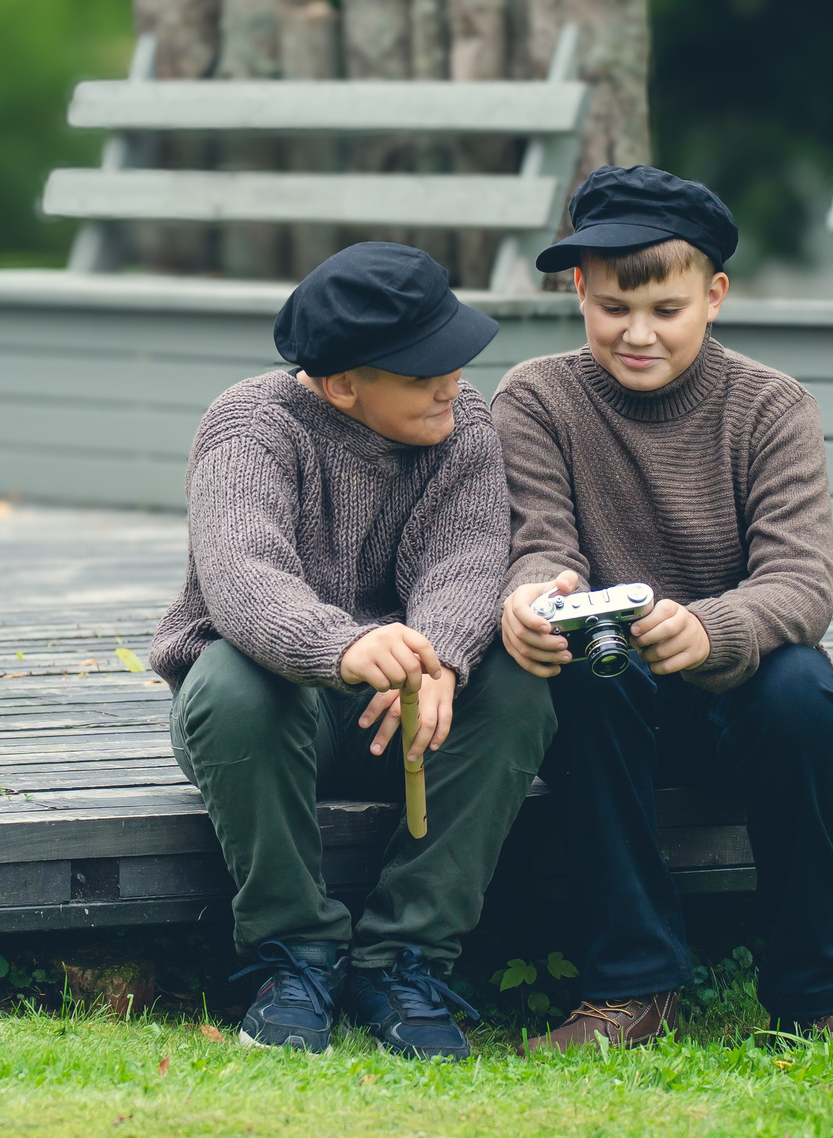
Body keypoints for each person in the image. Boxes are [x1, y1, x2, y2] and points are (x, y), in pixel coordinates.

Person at [493, 166, 833, 1051]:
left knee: (802, 687)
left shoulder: (770, 406)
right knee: (583, 676)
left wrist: (711, 628)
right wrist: (535, 595)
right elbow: (540, 539)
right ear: (579, 290)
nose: (636, 334)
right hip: (613, 695)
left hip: (739, 694)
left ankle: (819, 994)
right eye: (613, 308)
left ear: (714, 296)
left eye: (665, 310)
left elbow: (800, 584)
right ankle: (631, 990)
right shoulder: (535, 397)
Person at [153, 243, 555, 1060]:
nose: (452, 383)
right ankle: (292, 957)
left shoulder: (462, 424)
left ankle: (403, 960)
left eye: (454, 358)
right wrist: (346, 644)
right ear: (342, 384)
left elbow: (469, 557)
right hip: (266, 718)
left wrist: (440, 658)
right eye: (421, 373)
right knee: (231, 678)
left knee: (520, 682)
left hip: (405, 709)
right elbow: (243, 578)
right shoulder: (250, 426)